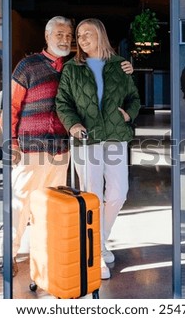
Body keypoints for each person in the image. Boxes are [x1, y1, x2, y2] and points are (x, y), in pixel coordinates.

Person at [11, 16, 134, 277]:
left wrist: (128, 109)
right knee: (24, 203)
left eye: (73, 35)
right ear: (47, 36)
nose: (71, 39)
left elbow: (130, 95)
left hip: (70, 147)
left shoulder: (96, 66)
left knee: (107, 195)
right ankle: (11, 254)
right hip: (47, 145)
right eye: (64, 35)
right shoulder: (43, 67)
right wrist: (11, 142)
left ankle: (76, 248)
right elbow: (19, 106)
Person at [56, 18, 141, 280]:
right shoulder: (72, 69)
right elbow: (63, 102)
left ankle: (96, 243)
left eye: (87, 34)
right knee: (92, 195)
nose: (81, 39)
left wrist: (128, 114)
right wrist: (73, 125)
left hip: (115, 135)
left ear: (100, 35)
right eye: (79, 35)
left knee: (118, 192)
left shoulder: (120, 66)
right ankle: (95, 255)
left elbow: (134, 98)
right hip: (87, 137)